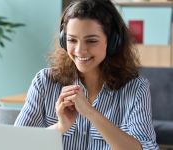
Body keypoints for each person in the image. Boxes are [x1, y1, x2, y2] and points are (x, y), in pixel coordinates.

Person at [14, 0, 159, 149]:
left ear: (113, 42)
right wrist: (60, 127)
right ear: (64, 41)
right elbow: (15, 144)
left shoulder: (136, 88)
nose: (79, 50)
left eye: (91, 41)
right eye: (72, 40)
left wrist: (90, 112)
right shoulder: (44, 81)